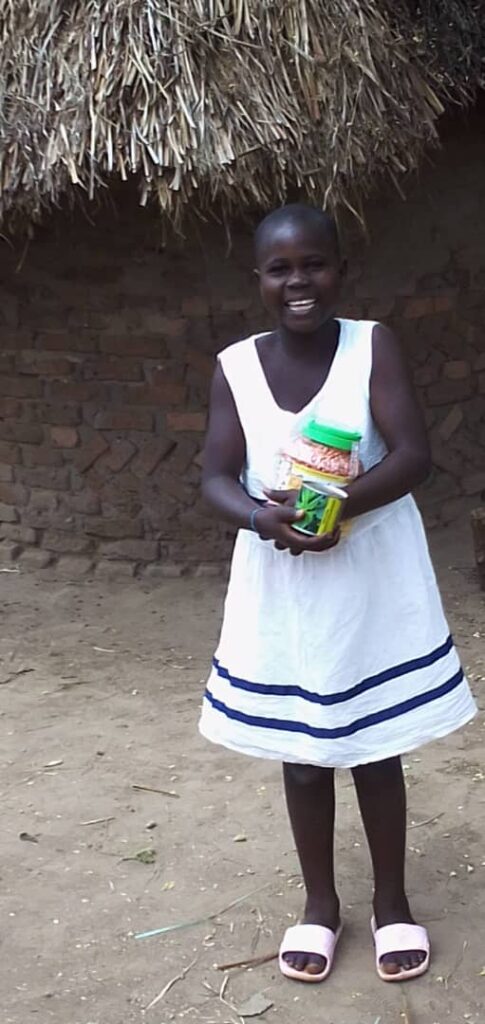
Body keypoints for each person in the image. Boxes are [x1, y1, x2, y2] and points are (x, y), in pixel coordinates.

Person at [199, 203, 476, 984]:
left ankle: (391, 904)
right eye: (280, 269)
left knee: (373, 743)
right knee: (300, 752)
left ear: (340, 271)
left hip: (368, 574)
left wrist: (333, 507)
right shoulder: (236, 367)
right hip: (281, 576)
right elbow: (214, 474)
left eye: (313, 264)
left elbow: (414, 456)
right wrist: (263, 517)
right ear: (257, 280)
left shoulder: (370, 347)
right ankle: (320, 906)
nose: (298, 282)